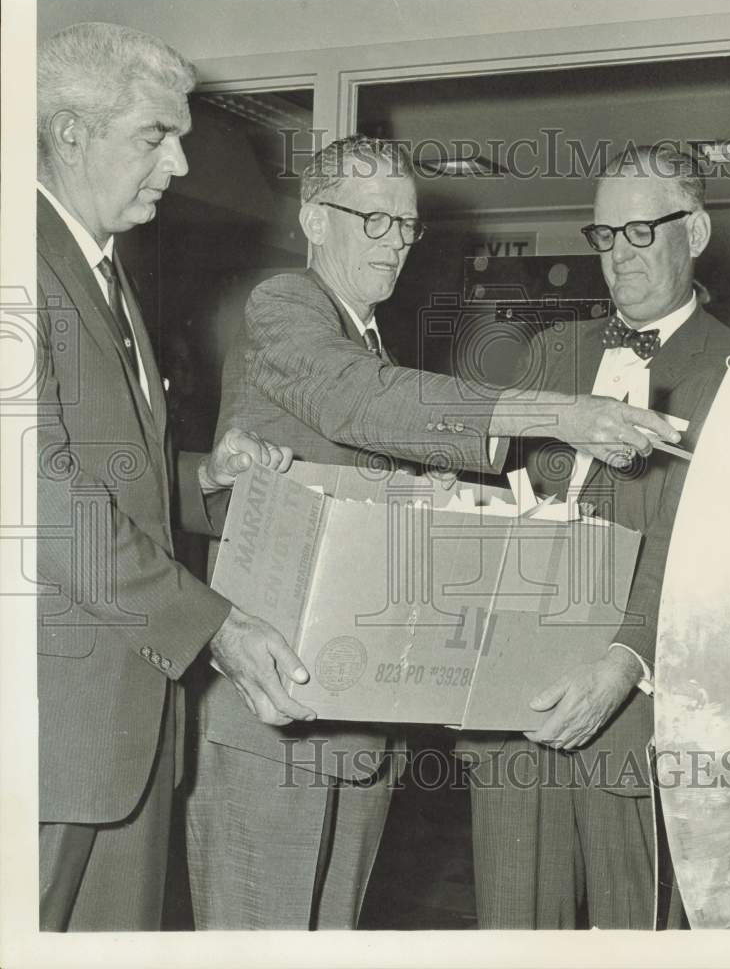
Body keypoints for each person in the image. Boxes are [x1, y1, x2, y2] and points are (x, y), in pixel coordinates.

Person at [185, 133, 682, 930]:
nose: (394, 245)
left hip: (353, 721)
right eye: (371, 221)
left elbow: (362, 468)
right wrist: (560, 415)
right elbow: (360, 402)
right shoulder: (287, 304)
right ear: (315, 220)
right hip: (270, 719)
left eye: (405, 226)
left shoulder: (368, 331)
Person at [36, 22, 311, 932]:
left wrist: (203, 482)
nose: (182, 163)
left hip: (123, 727)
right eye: (156, 135)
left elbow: (102, 466)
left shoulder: (103, 268)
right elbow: (37, 499)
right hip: (50, 735)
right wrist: (214, 624)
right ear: (69, 132)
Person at [461, 145, 730, 929]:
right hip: (515, 708)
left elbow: (711, 555)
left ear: (694, 230)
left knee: (636, 934)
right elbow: (494, 505)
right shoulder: (553, 351)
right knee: (512, 930)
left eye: (640, 233)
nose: (617, 256)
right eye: (604, 235)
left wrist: (624, 661)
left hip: (640, 725)